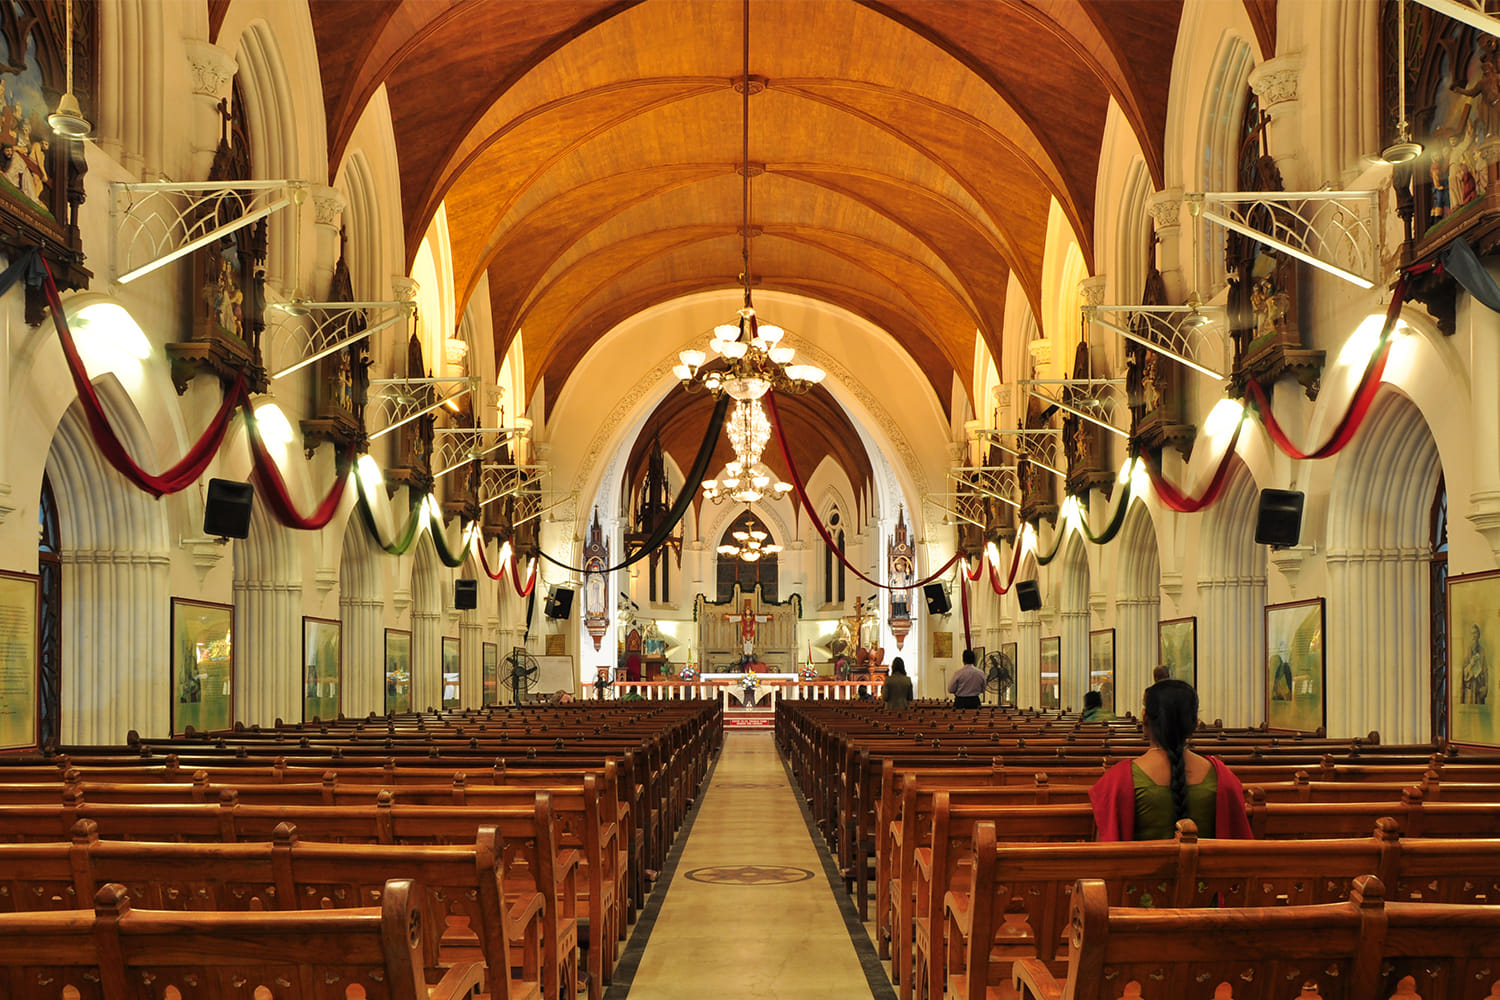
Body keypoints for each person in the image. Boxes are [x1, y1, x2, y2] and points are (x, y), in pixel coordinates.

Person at [1088, 679, 1253, 841]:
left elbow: (1102, 850)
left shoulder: (1118, 780)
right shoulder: (1222, 777)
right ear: (1195, 723)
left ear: (1145, 718)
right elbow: (1240, 845)